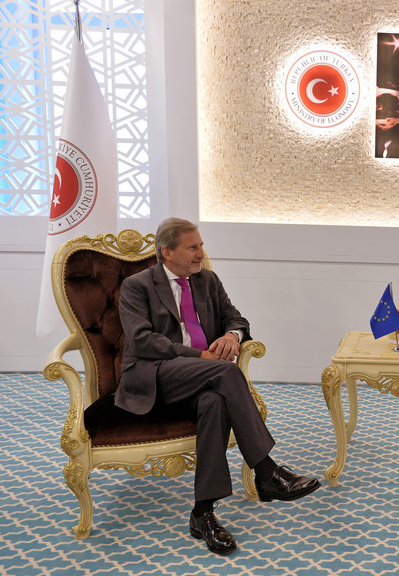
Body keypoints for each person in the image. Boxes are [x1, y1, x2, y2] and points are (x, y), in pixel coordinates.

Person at [116, 217, 320, 555]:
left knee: (214, 402)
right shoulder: (137, 286)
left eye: (201, 245)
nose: (201, 253)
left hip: (202, 376)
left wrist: (231, 336)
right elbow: (142, 341)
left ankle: (203, 513)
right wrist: (199, 355)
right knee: (225, 372)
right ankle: (266, 471)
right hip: (156, 375)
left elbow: (236, 319)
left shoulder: (207, 280)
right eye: (192, 247)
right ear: (167, 252)